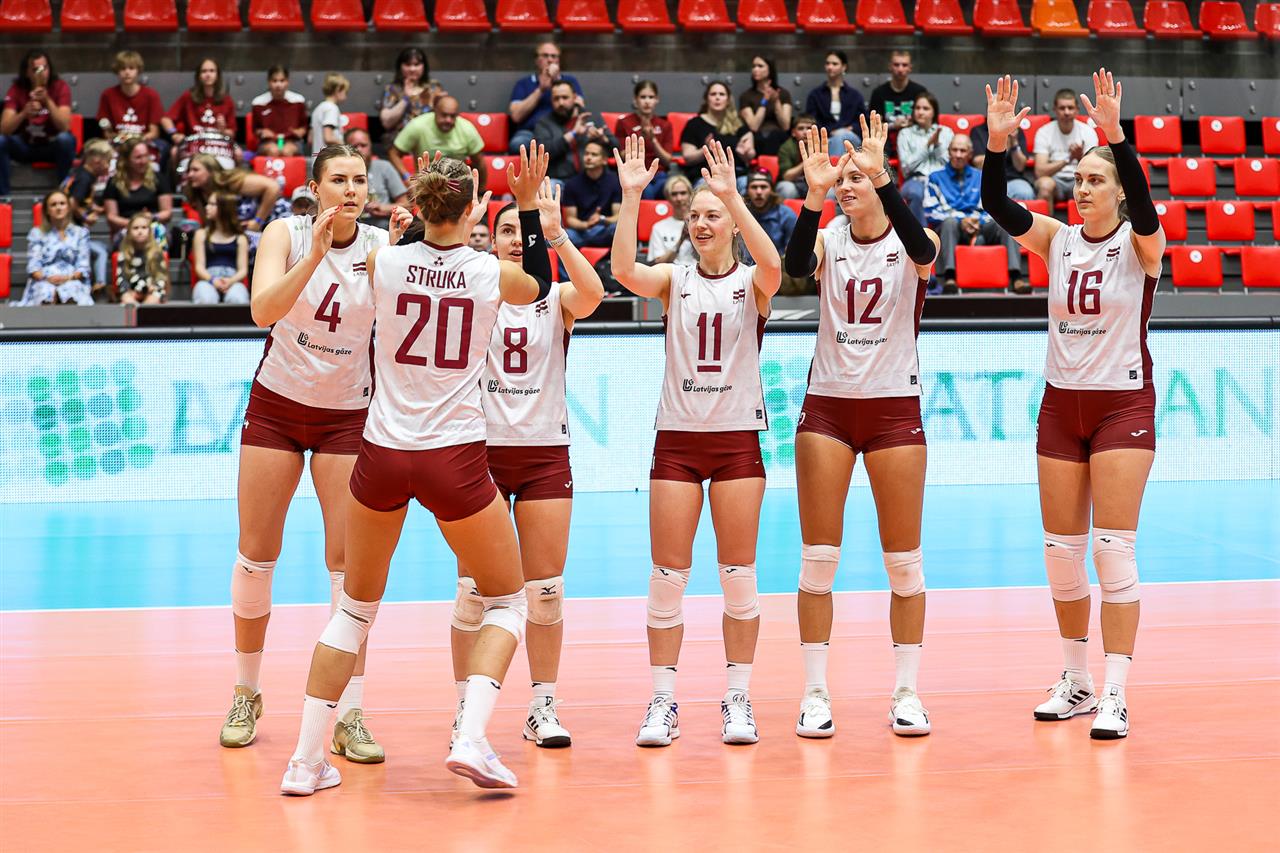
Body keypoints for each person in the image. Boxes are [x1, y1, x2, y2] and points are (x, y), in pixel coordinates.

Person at [278, 145, 556, 795]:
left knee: (353, 610)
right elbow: (540, 283)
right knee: (508, 600)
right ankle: (470, 737)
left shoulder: (385, 260)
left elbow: (405, 256)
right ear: (474, 209)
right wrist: (527, 206)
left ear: (421, 204)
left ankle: (304, 762)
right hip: (453, 457)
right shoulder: (490, 273)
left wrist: (425, 218)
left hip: (380, 452)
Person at [983, 71, 1163, 740]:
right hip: (1061, 406)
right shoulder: (1057, 239)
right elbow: (996, 204)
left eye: (1095, 180)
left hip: (1122, 407)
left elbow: (1148, 213)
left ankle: (1116, 690)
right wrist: (997, 144)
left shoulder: (1141, 245)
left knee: (1113, 551)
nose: (1081, 188)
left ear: (1119, 190)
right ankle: (1076, 679)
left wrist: (1116, 137)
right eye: (1078, 180)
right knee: (1062, 554)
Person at [222, 145, 410, 764]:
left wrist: (403, 260)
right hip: (277, 407)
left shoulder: (382, 246)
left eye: (359, 180)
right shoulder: (286, 233)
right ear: (314, 186)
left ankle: (349, 712)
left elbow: (403, 327)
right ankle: (246, 693)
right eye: (339, 179)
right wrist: (316, 255)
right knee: (257, 556)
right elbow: (262, 311)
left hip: (347, 417)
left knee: (347, 566)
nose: (351, 189)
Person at [612, 135, 782, 747]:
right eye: (695, 216)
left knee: (738, 577)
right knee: (667, 577)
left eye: (712, 216)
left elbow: (775, 267)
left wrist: (733, 197)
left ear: (731, 224)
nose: (702, 223)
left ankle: (737, 697)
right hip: (678, 444)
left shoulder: (752, 283)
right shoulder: (672, 279)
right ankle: (663, 700)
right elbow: (622, 271)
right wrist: (632, 196)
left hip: (736, 443)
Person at [782, 118, 942, 741]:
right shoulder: (828, 239)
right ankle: (814, 693)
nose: (846, 186)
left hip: (893, 410)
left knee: (904, 564)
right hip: (828, 409)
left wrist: (882, 176)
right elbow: (797, 265)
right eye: (841, 178)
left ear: (880, 182)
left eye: (856, 178)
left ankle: (907, 692)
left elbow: (925, 254)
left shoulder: (915, 239)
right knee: (818, 562)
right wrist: (814, 194)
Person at [449, 179, 605, 749]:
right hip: (478, 455)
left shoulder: (556, 297)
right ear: (490, 241)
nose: (518, 239)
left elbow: (594, 295)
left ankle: (542, 707)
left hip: (544, 454)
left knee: (545, 592)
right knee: (473, 592)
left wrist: (557, 235)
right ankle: (465, 714)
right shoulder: (474, 291)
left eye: (524, 231)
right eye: (507, 230)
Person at [925, 134, 1028, 294]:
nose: (958, 155)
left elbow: (993, 205)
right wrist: (962, 220)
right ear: (948, 152)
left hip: (981, 224)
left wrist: (978, 220)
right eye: (954, 150)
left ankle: (1016, 276)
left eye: (963, 151)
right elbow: (930, 211)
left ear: (970, 154)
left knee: (1006, 223)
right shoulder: (935, 178)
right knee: (950, 223)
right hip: (952, 228)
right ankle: (950, 277)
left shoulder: (980, 176)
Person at [0, 51, 75, 194]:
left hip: (51, 145)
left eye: (45, 68)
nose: (42, 74)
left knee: (65, 139)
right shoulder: (17, 89)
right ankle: (3, 198)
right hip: (25, 145)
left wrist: (47, 101)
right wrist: (23, 113)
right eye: (36, 70)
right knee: (1, 141)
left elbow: (65, 126)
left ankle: (64, 194)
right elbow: (4, 129)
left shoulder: (60, 86)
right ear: (27, 72)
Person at [387, 96, 486, 190]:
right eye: (444, 115)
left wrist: (479, 191)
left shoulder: (467, 129)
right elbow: (393, 153)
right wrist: (407, 178)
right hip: (426, 185)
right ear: (435, 111)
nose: (448, 120)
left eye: (452, 116)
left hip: (457, 186)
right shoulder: (417, 126)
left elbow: (480, 163)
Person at [15, 189, 91, 306]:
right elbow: (33, 267)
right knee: (45, 291)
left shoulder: (81, 233)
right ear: (47, 210)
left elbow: (83, 266)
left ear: (68, 207)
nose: (58, 207)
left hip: (72, 279)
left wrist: (67, 278)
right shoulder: (37, 233)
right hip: (44, 280)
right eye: (53, 204)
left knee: (72, 290)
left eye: (62, 203)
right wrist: (48, 278)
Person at [534, 80, 617, 184]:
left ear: (575, 97)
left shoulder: (590, 117)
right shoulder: (544, 123)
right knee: (548, 186)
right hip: (560, 180)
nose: (561, 103)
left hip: (592, 178)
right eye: (556, 99)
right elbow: (542, 153)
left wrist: (602, 139)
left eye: (565, 97)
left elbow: (616, 148)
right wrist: (573, 133)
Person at [508, 41, 584, 153]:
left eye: (554, 56)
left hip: (562, 129)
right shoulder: (524, 83)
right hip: (531, 133)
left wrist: (557, 82)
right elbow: (516, 116)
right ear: (537, 60)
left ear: (558, 60)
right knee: (518, 144)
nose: (550, 60)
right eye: (545, 56)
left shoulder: (569, 81)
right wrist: (541, 89)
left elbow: (580, 108)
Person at [96, 51, 168, 168]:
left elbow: (154, 132)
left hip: (143, 140)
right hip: (118, 142)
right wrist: (117, 138)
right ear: (117, 71)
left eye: (131, 68)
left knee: (163, 147)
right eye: (123, 68)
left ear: (138, 70)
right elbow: (106, 131)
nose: (127, 72)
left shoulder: (151, 95)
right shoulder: (108, 95)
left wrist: (136, 141)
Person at [680, 82, 754, 194]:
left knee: (747, 184)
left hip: (736, 175)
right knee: (704, 187)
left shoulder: (739, 124)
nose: (717, 98)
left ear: (728, 100)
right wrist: (705, 150)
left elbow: (751, 154)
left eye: (721, 94)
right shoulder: (694, 124)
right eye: (713, 94)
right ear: (706, 99)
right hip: (706, 175)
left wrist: (744, 153)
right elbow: (688, 157)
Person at [62, 138, 113, 299]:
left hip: (72, 233)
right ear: (96, 160)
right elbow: (71, 203)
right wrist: (86, 217)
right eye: (108, 161)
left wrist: (98, 209)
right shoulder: (84, 179)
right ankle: (100, 285)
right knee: (101, 252)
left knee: (104, 248)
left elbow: (84, 200)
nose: (109, 166)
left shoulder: (81, 174)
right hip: (67, 236)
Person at [183, 154, 283, 233]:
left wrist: (258, 221)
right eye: (189, 171)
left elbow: (273, 187)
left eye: (195, 170)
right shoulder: (200, 194)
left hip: (275, 220)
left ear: (211, 171)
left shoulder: (229, 181)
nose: (190, 174)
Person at [1034, 88, 1099, 205]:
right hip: (1054, 180)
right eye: (1062, 108)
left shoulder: (1088, 132)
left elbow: (1095, 170)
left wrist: (1080, 158)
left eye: (1070, 108)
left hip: (1080, 179)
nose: (1067, 112)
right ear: (1055, 110)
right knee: (1044, 185)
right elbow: (1040, 172)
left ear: (1077, 110)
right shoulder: (1044, 132)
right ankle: (1043, 218)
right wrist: (1068, 159)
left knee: (1097, 185)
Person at [104, 137, 173, 245]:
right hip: (125, 228)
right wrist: (135, 224)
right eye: (138, 157)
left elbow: (167, 212)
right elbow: (111, 217)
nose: (143, 161)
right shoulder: (114, 182)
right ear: (126, 159)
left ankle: (156, 256)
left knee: (157, 234)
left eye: (146, 156)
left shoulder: (159, 179)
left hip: (151, 226)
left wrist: (150, 218)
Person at [896, 92, 953, 223]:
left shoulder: (946, 132)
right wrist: (927, 147)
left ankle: (946, 229)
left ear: (934, 112)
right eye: (917, 108)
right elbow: (906, 169)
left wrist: (937, 147)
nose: (920, 112)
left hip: (942, 179)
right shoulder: (905, 134)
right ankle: (921, 233)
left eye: (926, 108)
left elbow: (952, 163)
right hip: (915, 179)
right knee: (915, 193)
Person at [613, 80, 673, 200]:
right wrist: (641, 138)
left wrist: (653, 140)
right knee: (646, 191)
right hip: (634, 173)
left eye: (651, 97)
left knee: (670, 186)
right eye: (643, 97)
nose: (647, 101)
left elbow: (667, 160)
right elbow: (622, 156)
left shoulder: (664, 124)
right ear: (635, 100)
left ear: (657, 100)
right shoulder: (624, 122)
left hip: (659, 174)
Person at [162, 58, 236, 147]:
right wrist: (174, 134)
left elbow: (231, 134)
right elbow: (165, 119)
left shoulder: (227, 99)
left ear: (217, 75)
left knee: (238, 153)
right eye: (204, 71)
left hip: (219, 144)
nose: (208, 75)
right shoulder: (188, 96)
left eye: (212, 71)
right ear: (198, 76)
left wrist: (223, 130)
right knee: (174, 151)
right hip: (194, 143)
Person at [345, 127, 408, 231]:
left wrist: (384, 208)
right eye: (354, 146)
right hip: (351, 226)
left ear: (370, 146)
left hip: (382, 226)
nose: (359, 150)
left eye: (363, 145)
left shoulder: (384, 167)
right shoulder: (340, 172)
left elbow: (406, 204)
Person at [562, 139, 621, 249]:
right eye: (586, 154)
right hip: (581, 231)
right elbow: (570, 219)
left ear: (604, 160)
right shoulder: (572, 184)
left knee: (616, 228)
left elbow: (618, 216)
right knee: (563, 236)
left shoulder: (615, 181)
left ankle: (589, 246)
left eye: (594, 154)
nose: (588, 157)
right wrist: (586, 225)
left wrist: (602, 219)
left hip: (603, 229)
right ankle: (588, 244)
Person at [191, 193, 249, 305]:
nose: (207, 207)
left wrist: (230, 281)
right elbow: (199, 267)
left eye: (212, 204)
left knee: (238, 298)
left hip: (233, 280)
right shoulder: (201, 234)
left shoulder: (240, 238)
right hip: (208, 279)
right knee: (205, 298)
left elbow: (243, 270)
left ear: (224, 208)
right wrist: (213, 280)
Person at [803, 50, 864, 156]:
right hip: (825, 137)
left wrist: (850, 128)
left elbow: (862, 120)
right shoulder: (816, 94)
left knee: (841, 136)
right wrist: (830, 131)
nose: (830, 67)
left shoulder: (854, 95)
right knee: (834, 140)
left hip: (850, 137)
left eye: (835, 64)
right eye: (827, 63)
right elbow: (811, 120)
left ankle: (833, 165)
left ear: (844, 67)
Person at [739, 56, 793, 156]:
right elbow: (754, 126)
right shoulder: (746, 96)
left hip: (779, 138)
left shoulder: (782, 93)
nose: (755, 69)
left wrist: (776, 101)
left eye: (760, 66)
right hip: (757, 139)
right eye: (754, 66)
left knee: (775, 136)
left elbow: (786, 126)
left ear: (770, 69)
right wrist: (765, 101)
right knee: (759, 137)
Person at [379, 47, 439, 137]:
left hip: (427, 139)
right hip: (398, 139)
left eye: (416, 64)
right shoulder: (392, 88)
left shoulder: (434, 88)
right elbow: (386, 123)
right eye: (407, 64)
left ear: (424, 66)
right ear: (400, 66)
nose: (412, 69)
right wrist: (406, 98)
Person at [251, 66, 309, 157]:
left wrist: (298, 132)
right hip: (268, 142)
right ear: (269, 82)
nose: (278, 85)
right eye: (274, 81)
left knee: (286, 151)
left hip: (292, 141)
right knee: (273, 150)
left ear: (287, 82)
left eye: (282, 81)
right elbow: (256, 129)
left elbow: (303, 127)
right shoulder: (258, 103)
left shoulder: (298, 101)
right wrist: (262, 132)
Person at [742, 168, 796, 264]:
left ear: (771, 190)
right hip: (745, 267)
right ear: (747, 190)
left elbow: (793, 251)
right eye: (754, 187)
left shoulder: (786, 215)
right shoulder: (740, 213)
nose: (759, 192)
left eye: (763, 187)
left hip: (777, 267)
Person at [971, 121, 1034, 202]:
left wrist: (1014, 143)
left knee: (1025, 192)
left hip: (1012, 179)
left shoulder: (1016, 131)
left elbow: (1020, 167)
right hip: (987, 180)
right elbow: (979, 164)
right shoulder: (978, 131)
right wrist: (1001, 145)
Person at [867, 50, 927, 132]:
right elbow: (874, 126)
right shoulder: (879, 93)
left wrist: (912, 123)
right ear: (890, 66)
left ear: (910, 68)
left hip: (914, 135)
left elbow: (927, 121)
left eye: (904, 65)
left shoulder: (920, 92)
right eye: (896, 65)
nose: (900, 69)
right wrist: (893, 126)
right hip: (886, 137)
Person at [116, 212, 168, 304]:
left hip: (152, 290)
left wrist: (154, 287)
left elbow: (161, 277)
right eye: (135, 228)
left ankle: (144, 312)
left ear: (150, 231)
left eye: (144, 227)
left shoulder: (156, 253)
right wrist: (128, 291)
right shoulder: (124, 254)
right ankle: (134, 311)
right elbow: (121, 278)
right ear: (129, 231)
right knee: (127, 300)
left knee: (153, 300)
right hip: (131, 290)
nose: (140, 231)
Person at [646, 174, 696, 265]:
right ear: (668, 197)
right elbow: (657, 263)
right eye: (674, 194)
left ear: (690, 195)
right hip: (671, 271)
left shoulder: (700, 224)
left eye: (683, 193)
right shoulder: (659, 227)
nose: (679, 198)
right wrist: (681, 240)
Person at [775, 114, 818, 200]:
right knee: (787, 189)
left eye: (809, 128)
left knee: (830, 192)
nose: (805, 132)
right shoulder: (786, 147)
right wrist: (806, 162)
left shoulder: (820, 145)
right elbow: (787, 177)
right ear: (793, 133)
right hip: (793, 183)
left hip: (814, 183)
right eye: (801, 128)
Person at [311, 74, 350, 157]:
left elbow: (310, 139)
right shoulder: (331, 108)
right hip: (328, 160)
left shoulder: (318, 108)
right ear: (338, 90)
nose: (346, 96)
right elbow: (328, 138)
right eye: (345, 92)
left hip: (318, 159)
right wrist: (346, 146)